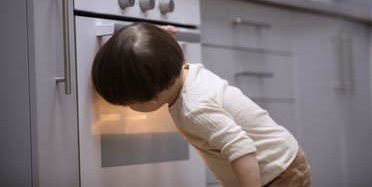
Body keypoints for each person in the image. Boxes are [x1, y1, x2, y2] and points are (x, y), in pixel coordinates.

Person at [91, 22, 311, 187]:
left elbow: (241, 148)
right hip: (273, 165)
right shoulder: (181, 68)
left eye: (128, 104)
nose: (129, 108)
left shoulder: (193, 108)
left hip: (278, 172)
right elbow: (154, 51)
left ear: (150, 100)